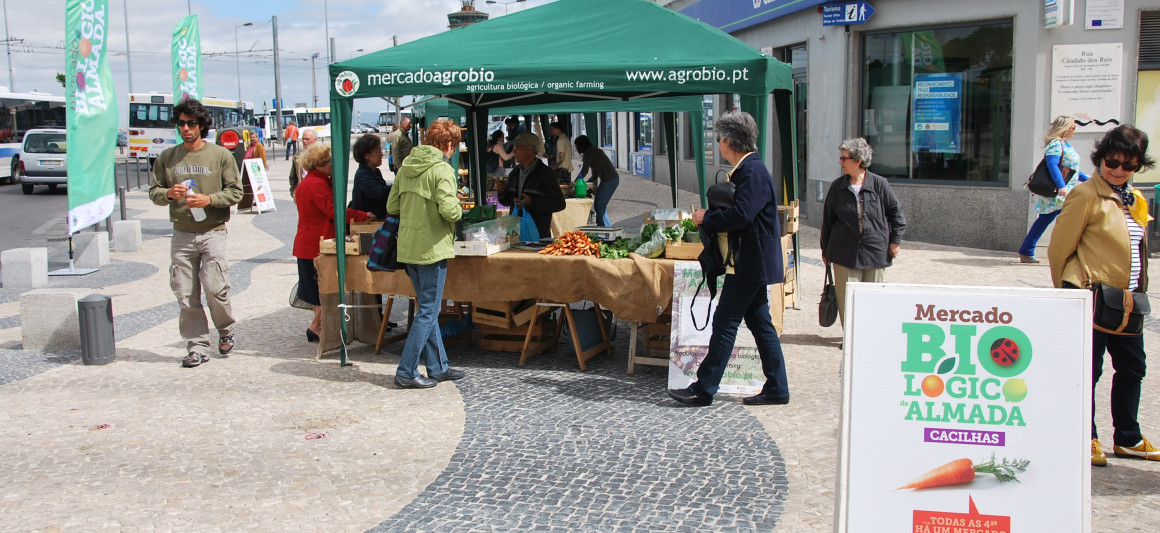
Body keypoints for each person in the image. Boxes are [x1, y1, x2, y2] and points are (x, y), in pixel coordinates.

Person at [1048, 124, 1157, 467]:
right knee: (1088, 370)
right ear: (1100, 157)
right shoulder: (1085, 194)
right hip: (1089, 294)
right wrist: (1066, 296)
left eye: (1129, 165)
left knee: (1132, 367)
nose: (1119, 169)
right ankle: (1087, 435)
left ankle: (1128, 437)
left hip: (1127, 300)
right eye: (1113, 161)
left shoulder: (1135, 198)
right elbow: (1059, 249)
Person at [667, 111, 790, 407]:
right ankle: (777, 388)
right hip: (750, 261)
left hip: (750, 263)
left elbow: (742, 215)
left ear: (727, 142)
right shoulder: (750, 169)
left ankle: (703, 388)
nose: (719, 144)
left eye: (719, 139)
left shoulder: (753, 171)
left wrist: (706, 217)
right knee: (761, 326)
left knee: (725, 323)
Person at [147, 98, 244, 368]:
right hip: (182, 233)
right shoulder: (167, 157)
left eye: (191, 123)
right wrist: (168, 193)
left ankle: (225, 329)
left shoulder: (220, 155)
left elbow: (236, 192)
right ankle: (198, 345)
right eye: (181, 124)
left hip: (213, 231)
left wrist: (209, 199)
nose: (186, 128)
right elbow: (154, 192)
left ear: (202, 125)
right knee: (185, 293)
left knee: (215, 289)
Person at [386, 119, 467, 389]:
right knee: (429, 312)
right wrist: (459, 205)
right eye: (453, 147)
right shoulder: (442, 170)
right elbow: (450, 211)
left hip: (408, 248)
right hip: (431, 248)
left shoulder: (406, 166)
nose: (453, 151)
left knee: (426, 310)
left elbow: (392, 205)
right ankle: (406, 370)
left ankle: (438, 366)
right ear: (448, 144)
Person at [819, 137, 907, 326]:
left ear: (858, 161)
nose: (840, 162)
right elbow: (828, 221)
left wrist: (895, 241)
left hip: (875, 251)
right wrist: (825, 250)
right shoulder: (837, 187)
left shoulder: (879, 184)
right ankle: (850, 338)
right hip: (843, 252)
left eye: (844, 159)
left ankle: (869, 336)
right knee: (847, 300)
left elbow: (896, 213)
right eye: (840, 158)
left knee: (872, 299)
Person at [293, 142, 374, 343]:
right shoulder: (317, 184)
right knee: (324, 290)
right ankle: (316, 327)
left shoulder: (311, 182)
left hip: (308, 242)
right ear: (320, 164)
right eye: (329, 162)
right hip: (316, 244)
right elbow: (334, 211)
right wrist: (362, 215)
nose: (332, 165)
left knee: (318, 290)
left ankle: (318, 326)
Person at [1018, 116, 1089, 263]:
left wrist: (1090, 180)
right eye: (1073, 128)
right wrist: (1061, 186)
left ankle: (1027, 250)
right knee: (1066, 221)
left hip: (1063, 192)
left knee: (1045, 220)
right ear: (1065, 128)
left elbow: (1073, 170)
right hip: (1059, 193)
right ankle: (1069, 253)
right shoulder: (1056, 144)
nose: (1074, 131)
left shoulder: (1064, 145)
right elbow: (1052, 165)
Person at [498, 131, 566, 238]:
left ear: (529, 149)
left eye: (517, 147)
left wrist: (532, 203)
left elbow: (559, 203)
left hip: (538, 236)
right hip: (515, 236)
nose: (513, 151)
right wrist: (502, 192)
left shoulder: (546, 174)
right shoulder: (514, 173)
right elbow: (507, 202)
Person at [574, 135, 619, 226]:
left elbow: (584, 171)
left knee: (599, 205)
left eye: (576, 146)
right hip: (611, 179)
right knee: (600, 205)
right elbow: (594, 175)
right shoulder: (595, 151)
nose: (576, 148)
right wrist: (586, 183)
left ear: (580, 145)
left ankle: (602, 228)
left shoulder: (588, 154)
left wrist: (576, 182)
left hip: (609, 180)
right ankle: (605, 226)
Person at [348, 133, 390, 220]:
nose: (381, 154)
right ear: (366, 155)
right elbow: (380, 193)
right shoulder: (363, 174)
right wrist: (398, 185)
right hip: (368, 223)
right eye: (377, 152)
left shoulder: (375, 171)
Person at [287, 128, 318, 198]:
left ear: (315, 140)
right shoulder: (298, 156)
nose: (305, 141)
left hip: (316, 192)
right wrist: (293, 192)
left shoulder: (322, 156)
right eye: (303, 139)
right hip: (302, 193)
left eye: (307, 139)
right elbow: (293, 176)